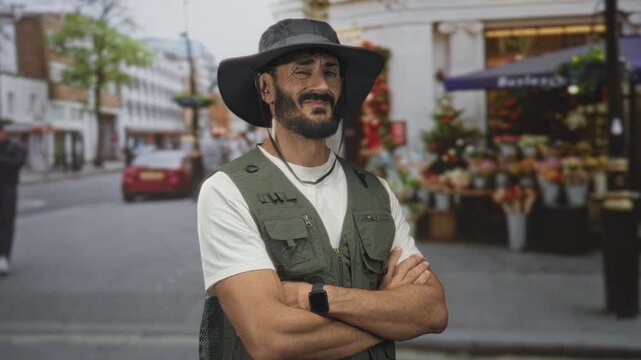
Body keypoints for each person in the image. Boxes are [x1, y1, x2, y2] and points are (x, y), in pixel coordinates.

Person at [197, 18, 447, 359]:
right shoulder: (228, 190)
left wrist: (314, 297)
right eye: (302, 71)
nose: (322, 85)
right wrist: (388, 315)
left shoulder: (376, 191)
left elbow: (432, 311)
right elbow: (271, 339)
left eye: (331, 72)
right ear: (266, 89)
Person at [0, 121, 27, 275]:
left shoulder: (13, 147)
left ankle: (3, 255)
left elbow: (17, 162)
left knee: (6, 221)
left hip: (7, 187)